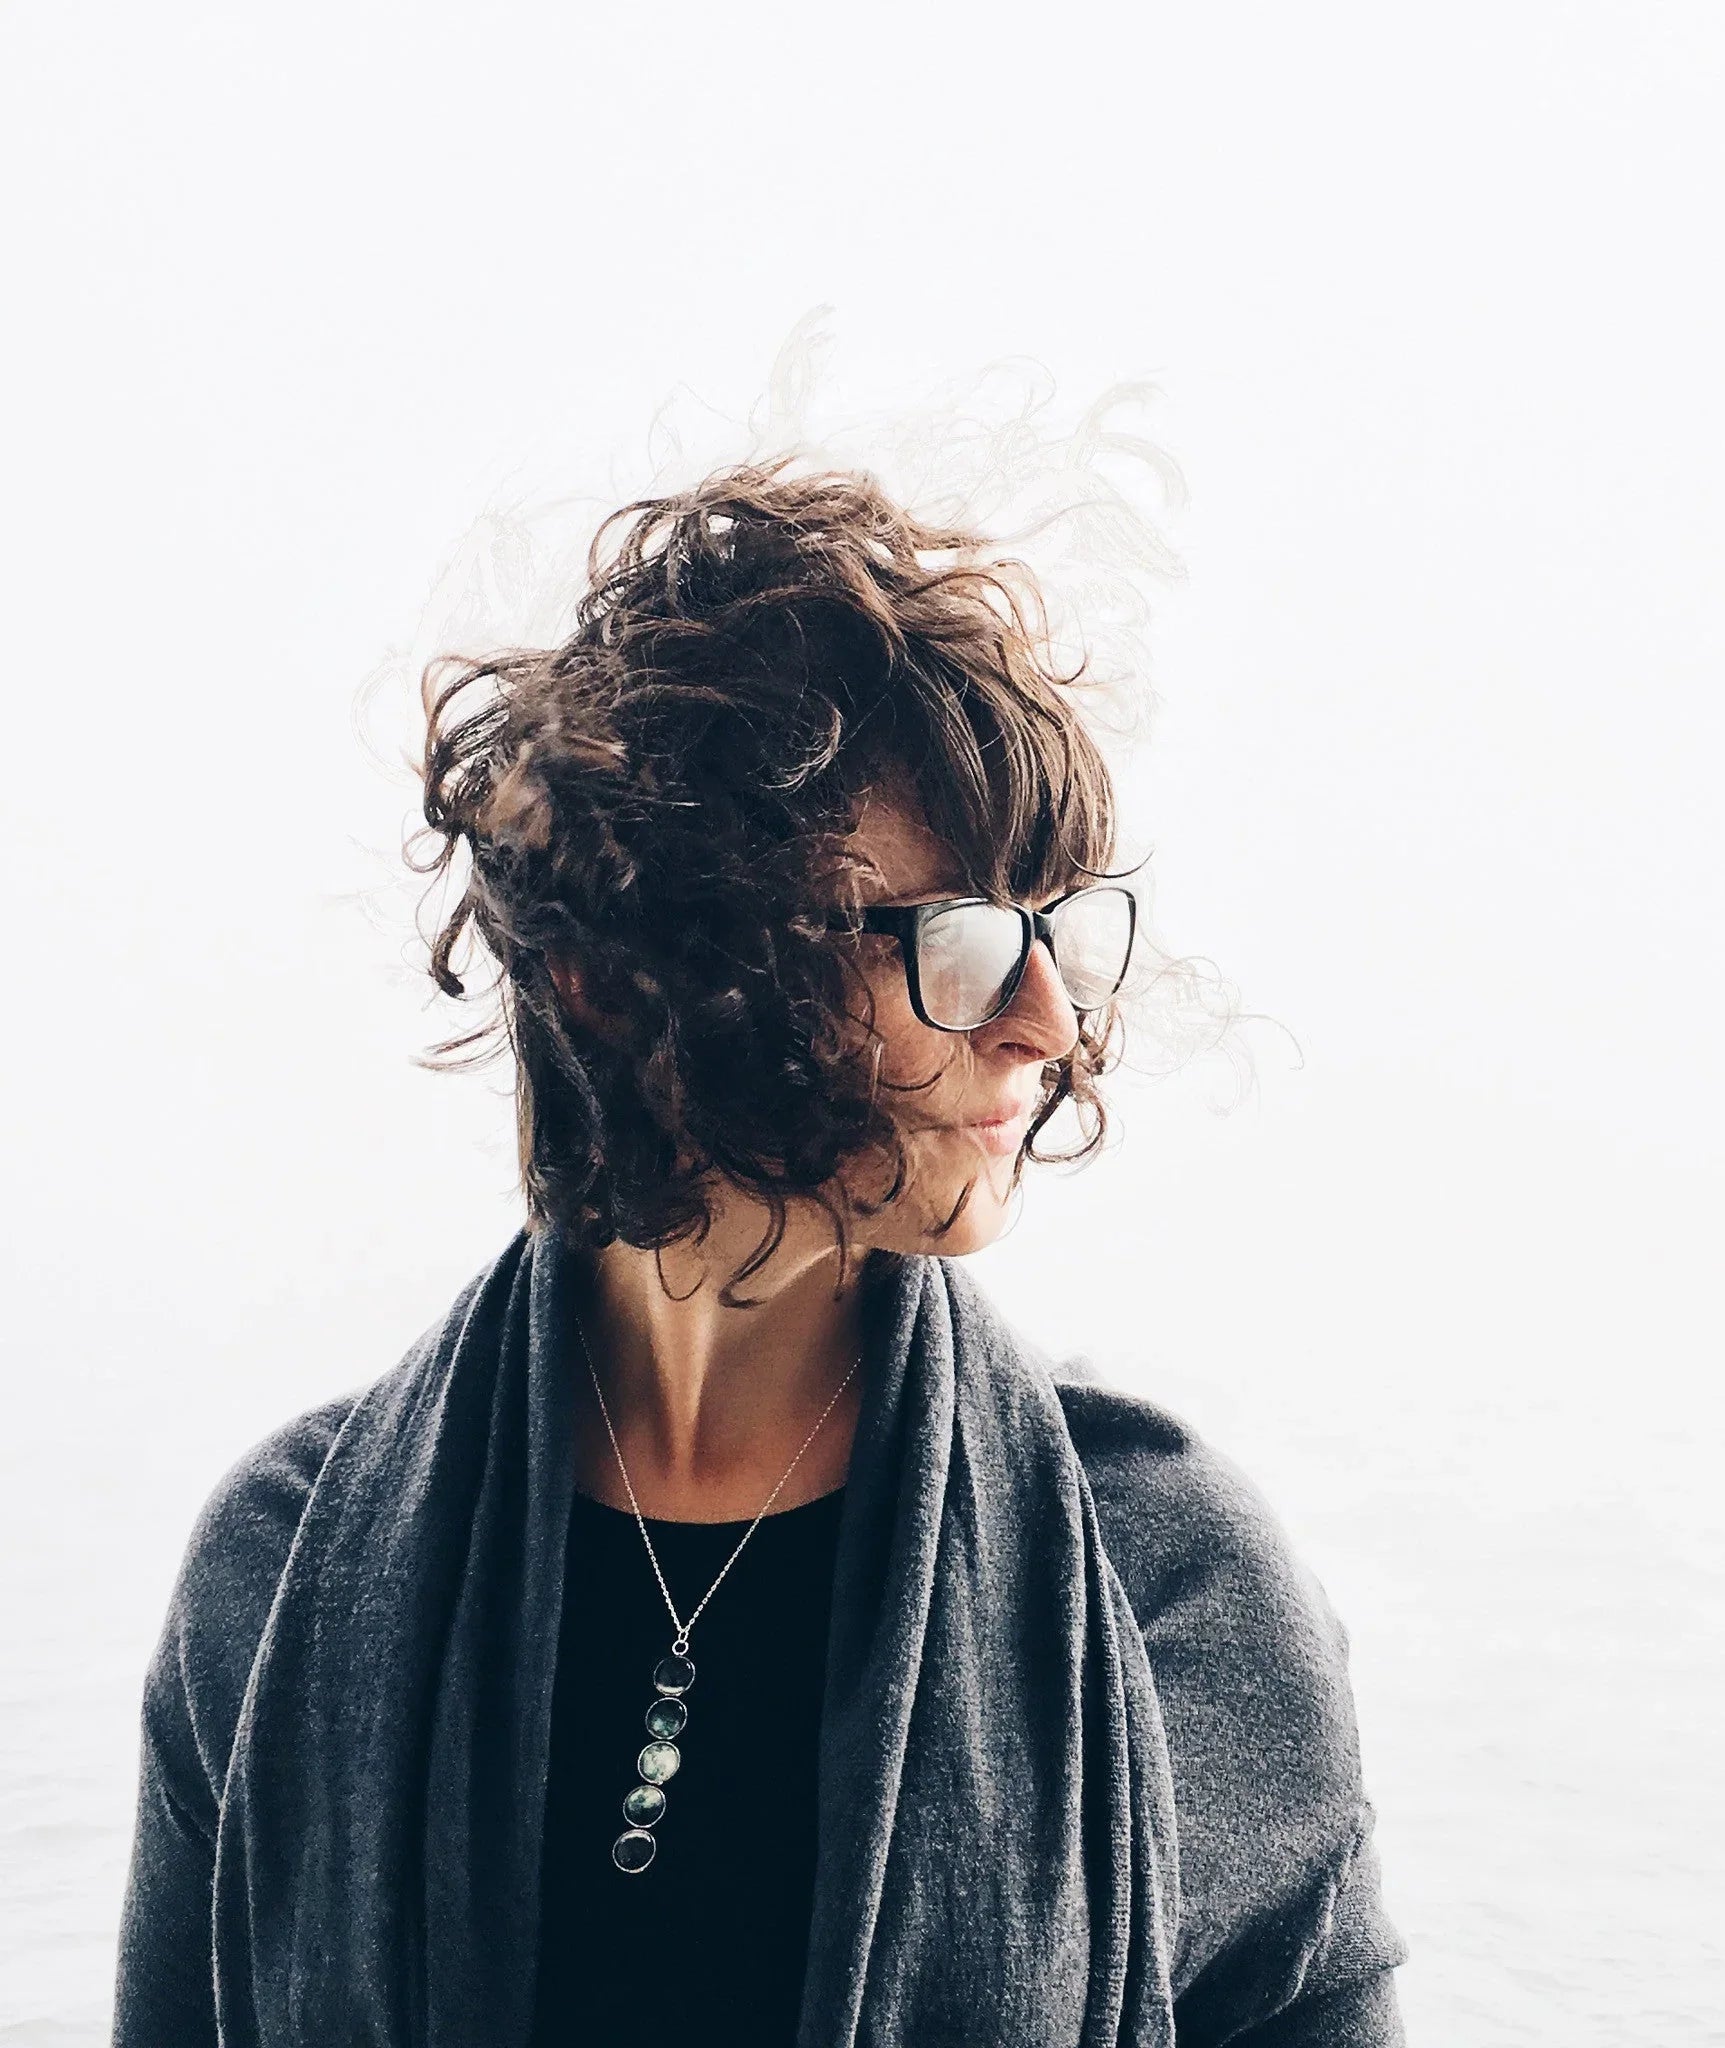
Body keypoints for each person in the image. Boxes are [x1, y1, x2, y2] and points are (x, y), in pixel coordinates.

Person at [112, 461, 1408, 2045]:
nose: (1049, 1025)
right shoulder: (280, 1570)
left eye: (1052, 923)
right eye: (954, 938)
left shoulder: (1174, 1591)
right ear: (617, 978)